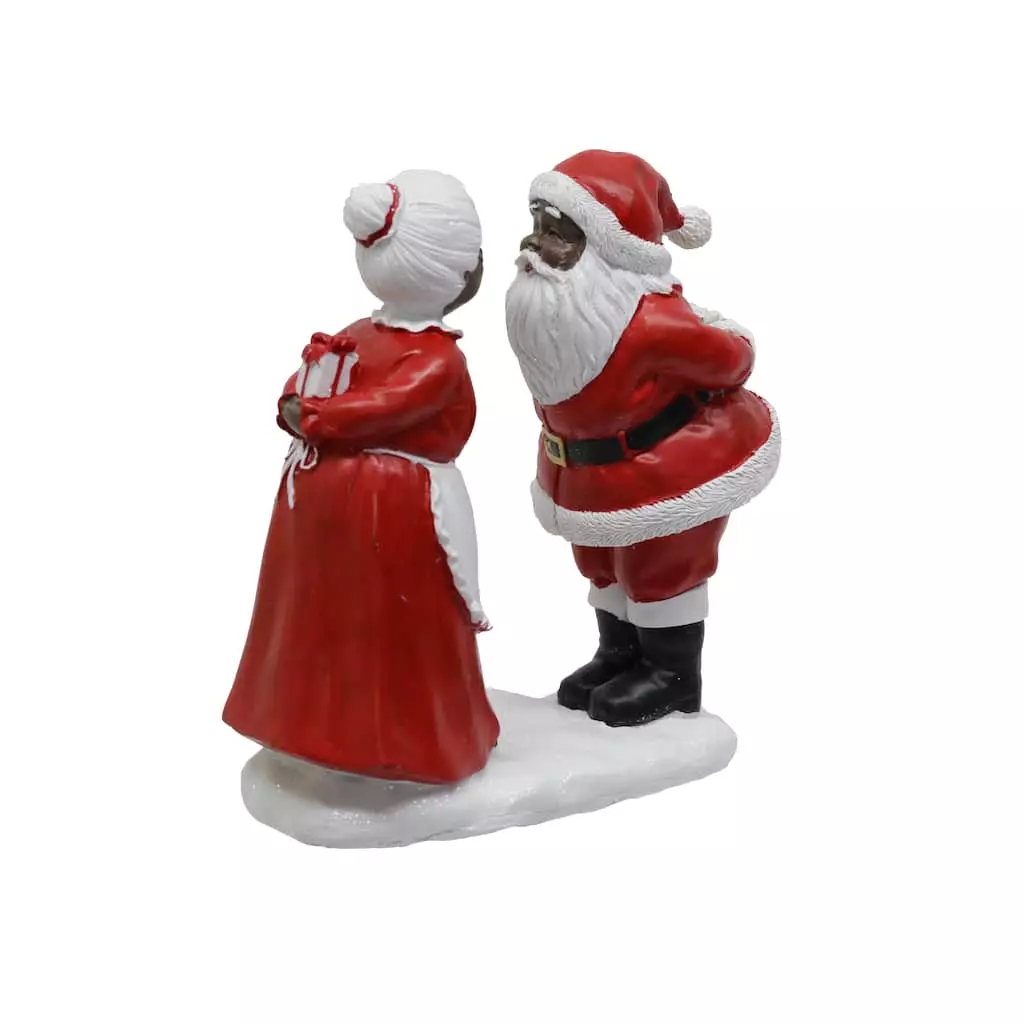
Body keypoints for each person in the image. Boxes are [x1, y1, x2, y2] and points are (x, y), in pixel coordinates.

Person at [223, 169, 499, 784]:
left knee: (375, 626)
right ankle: (329, 731)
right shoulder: (372, 336)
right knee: (330, 619)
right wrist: (302, 403)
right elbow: (319, 376)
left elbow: (383, 405)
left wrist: (312, 414)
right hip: (361, 508)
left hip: (377, 505)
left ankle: (386, 741)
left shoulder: (434, 357)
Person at [505, 150, 780, 727]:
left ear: (610, 251)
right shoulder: (554, 314)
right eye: (537, 226)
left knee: (659, 570)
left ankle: (670, 675)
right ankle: (620, 654)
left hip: (664, 472)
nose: (534, 246)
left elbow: (734, 359)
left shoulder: (654, 322)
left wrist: (718, 327)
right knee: (602, 565)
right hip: (587, 473)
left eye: (558, 234)